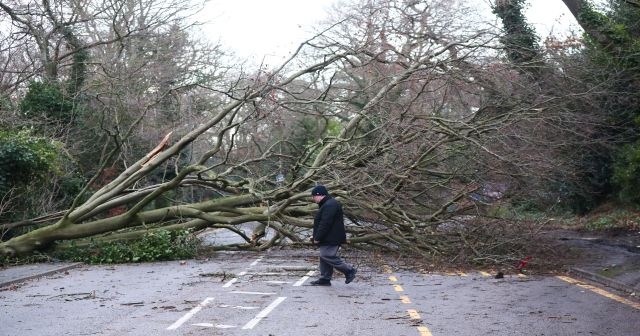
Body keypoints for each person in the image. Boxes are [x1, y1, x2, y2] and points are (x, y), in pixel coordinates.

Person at [309, 185, 357, 286]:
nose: (313, 199)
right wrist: (316, 236)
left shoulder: (330, 204)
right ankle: (325, 279)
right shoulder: (327, 203)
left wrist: (317, 237)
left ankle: (349, 270)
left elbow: (325, 223)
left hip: (332, 237)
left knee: (327, 255)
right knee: (324, 257)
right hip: (328, 237)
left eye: (313, 196)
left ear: (319, 195)